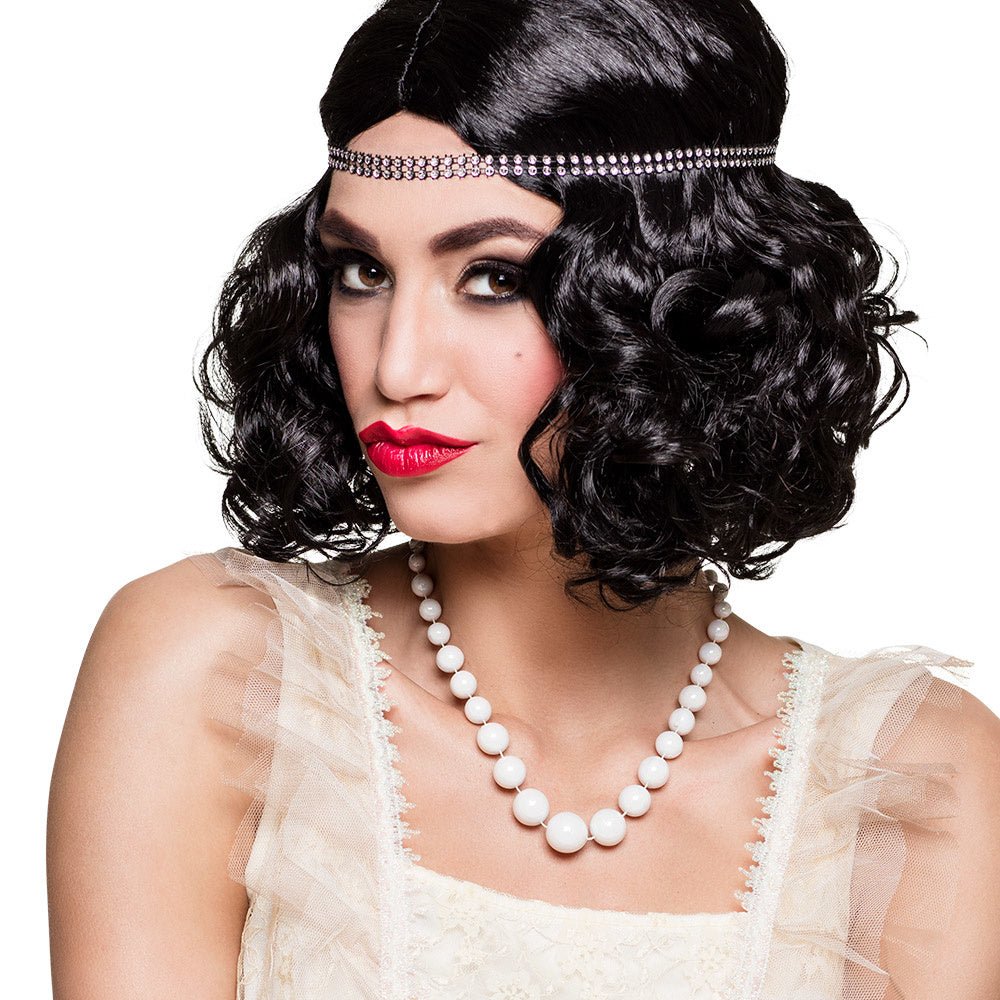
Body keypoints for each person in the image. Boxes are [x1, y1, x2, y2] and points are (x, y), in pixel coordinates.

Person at [47, 0, 1000, 997]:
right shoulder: (220, 676)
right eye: (362, 271)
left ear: (682, 300)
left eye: (493, 279)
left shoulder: (910, 782)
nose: (398, 365)